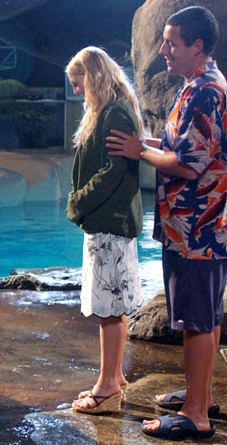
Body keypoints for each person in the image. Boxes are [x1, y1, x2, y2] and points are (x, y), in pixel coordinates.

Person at [106, 6, 227, 441]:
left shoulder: (204, 93)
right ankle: (202, 394)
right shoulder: (199, 85)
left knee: (197, 321)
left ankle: (197, 416)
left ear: (197, 47)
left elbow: (186, 164)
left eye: (171, 42)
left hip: (197, 229)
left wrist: (137, 152)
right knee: (207, 316)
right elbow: (179, 146)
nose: (162, 50)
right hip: (204, 226)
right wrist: (144, 143)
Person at [64, 46, 144, 414]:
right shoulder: (110, 110)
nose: (76, 89)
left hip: (108, 224)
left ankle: (107, 384)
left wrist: (78, 201)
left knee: (108, 310)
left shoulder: (113, 114)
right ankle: (115, 374)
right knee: (115, 304)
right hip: (110, 223)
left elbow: (114, 174)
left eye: (78, 81)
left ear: (94, 75)